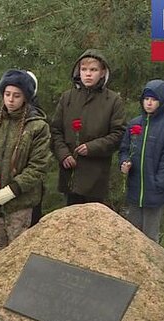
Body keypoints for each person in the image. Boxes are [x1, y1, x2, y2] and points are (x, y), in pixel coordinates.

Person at [0, 70, 51, 254]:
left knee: (16, 253)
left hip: (20, 202)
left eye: (16, 95)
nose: (11, 100)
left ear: (26, 97)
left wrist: (11, 191)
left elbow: (38, 166)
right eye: (7, 94)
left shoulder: (37, 126)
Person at [50, 49, 125, 205]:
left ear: (103, 73)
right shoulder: (67, 97)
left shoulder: (113, 100)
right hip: (70, 173)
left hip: (96, 176)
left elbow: (118, 134)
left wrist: (92, 147)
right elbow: (55, 130)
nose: (88, 74)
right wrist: (64, 154)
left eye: (93, 70)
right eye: (84, 69)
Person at [119, 79, 164, 242]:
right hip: (135, 188)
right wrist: (125, 163)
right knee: (133, 234)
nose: (149, 103)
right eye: (146, 99)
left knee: (150, 237)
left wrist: (159, 183)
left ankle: (151, 267)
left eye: (153, 100)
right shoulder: (134, 124)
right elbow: (125, 149)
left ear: (162, 102)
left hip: (155, 191)